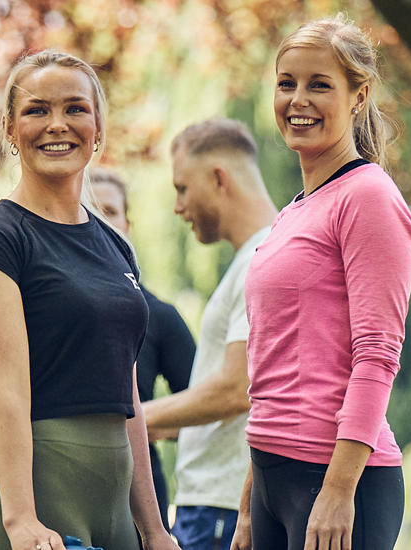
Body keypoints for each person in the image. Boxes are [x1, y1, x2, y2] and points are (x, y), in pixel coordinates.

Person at [0, 50, 179, 550]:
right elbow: (7, 393)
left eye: (75, 108)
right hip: (39, 508)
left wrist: (153, 528)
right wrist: (21, 521)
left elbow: (129, 397)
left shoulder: (115, 244)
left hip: (116, 506)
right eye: (37, 110)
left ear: (98, 128)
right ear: (11, 129)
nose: (57, 124)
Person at [237, 15, 411, 550]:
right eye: (286, 83)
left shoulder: (368, 198)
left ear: (358, 96)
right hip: (272, 478)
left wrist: (340, 490)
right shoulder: (294, 211)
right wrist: (249, 505)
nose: (298, 100)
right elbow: (272, 366)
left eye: (319, 85)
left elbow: (378, 354)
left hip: (334, 483)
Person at [140, 118, 277, 550]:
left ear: (219, 178)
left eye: (182, 189)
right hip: (213, 504)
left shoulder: (261, 259)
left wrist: (131, 421)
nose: (178, 207)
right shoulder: (255, 258)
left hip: (221, 509)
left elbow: (237, 388)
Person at [88, 167, 195, 526]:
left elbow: (203, 408)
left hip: (140, 491)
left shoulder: (160, 316)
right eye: (88, 210)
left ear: (128, 225)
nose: (100, 221)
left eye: (110, 211)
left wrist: (139, 423)